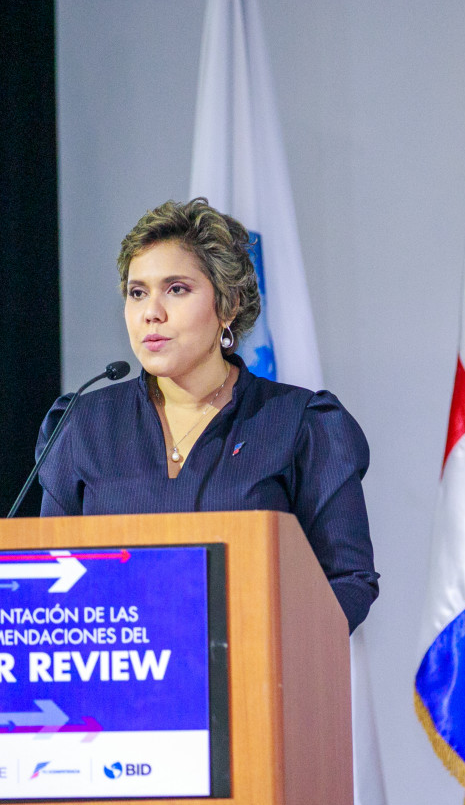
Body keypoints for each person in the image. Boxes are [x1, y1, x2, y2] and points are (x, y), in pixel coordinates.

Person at [37, 198, 378, 631]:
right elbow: (48, 572)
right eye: (137, 292)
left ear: (228, 304)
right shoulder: (83, 425)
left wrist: (272, 643)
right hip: (117, 668)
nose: (151, 312)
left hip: (250, 667)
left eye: (176, 289)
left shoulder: (300, 424)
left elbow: (346, 580)